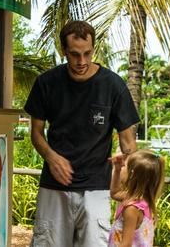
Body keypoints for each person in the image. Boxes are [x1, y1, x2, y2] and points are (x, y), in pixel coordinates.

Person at [24, 20, 140, 246]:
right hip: (53, 187)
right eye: (75, 54)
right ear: (64, 51)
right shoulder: (46, 83)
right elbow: (36, 134)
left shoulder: (113, 85)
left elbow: (128, 144)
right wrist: (51, 157)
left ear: (93, 48)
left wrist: (129, 175)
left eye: (87, 53)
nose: (82, 61)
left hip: (97, 188)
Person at [108, 150, 165, 247]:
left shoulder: (131, 209)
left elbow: (126, 244)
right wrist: (117, 170)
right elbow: (115, 193)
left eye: (124, 166)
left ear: (132, 174)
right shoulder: (140, 199)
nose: (122, 167)